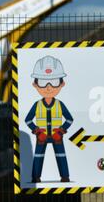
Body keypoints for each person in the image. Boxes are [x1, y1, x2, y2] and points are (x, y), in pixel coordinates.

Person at [25, 55, 74, 183]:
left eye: (53, 82)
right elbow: (28, 120)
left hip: (57, 135)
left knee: (61, 156)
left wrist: (61, 130)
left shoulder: (59, 104)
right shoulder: (37, 105)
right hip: (42, 136)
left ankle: (65, 176)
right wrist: (37, 131)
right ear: (35, 84)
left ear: (61, 84)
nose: (48, 87)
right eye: (42, 82)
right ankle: (36, 177)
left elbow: (69, 119)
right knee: (38, 156)